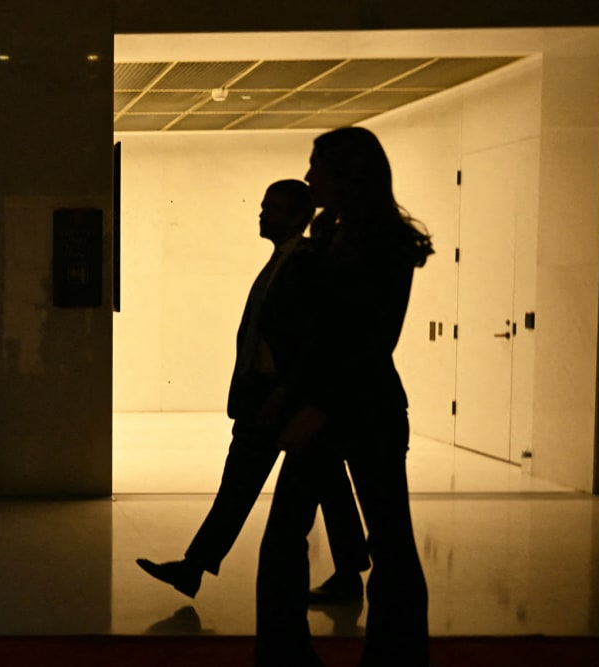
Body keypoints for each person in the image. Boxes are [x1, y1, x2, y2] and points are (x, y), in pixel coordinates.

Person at [136, 180, 369, 600]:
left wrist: (281, 391)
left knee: (252, 485)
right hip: (271, 394)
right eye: (263, 206)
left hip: (280, 397)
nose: (262, 213)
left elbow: (304, 339)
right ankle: (347, 572)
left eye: (273, 208)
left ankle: (196, 567)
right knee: (319, 482)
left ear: (299, 216)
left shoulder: (301, 263)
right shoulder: (286, 261)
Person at [255, 127, 433, 667]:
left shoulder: (374, 242)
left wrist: (314, 405)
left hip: (352, 407)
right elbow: (333, 335)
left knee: (374, 542)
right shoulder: (342, 232)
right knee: (378, 540)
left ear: (346, 175)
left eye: (318, 167)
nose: (309, 177)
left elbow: (367, 339)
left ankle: (352, 656)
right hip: (350, 405)